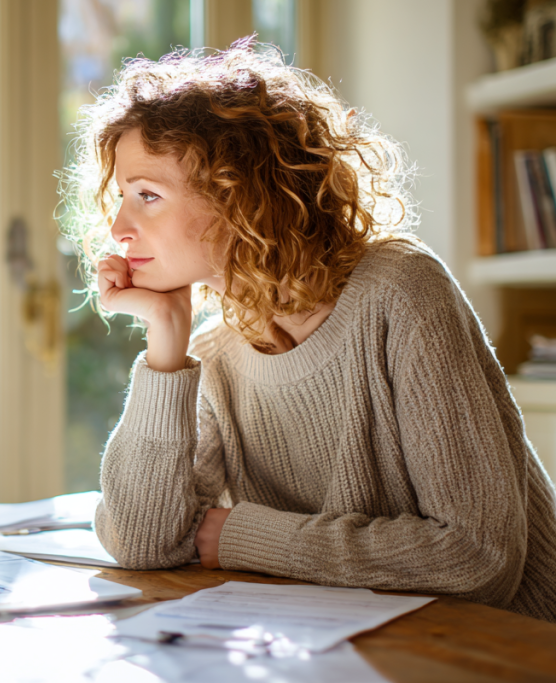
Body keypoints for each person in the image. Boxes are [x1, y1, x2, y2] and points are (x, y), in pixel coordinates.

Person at [60, 41, 556, 623]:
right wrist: (165, 347)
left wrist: (245, 536)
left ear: (240, 193)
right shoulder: (214, 352)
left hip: (509, 648)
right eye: (122, 197)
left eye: (147, 195)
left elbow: (478, 558)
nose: (118, 228)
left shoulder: (400, 292)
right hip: (365, 646)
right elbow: (142, 542)